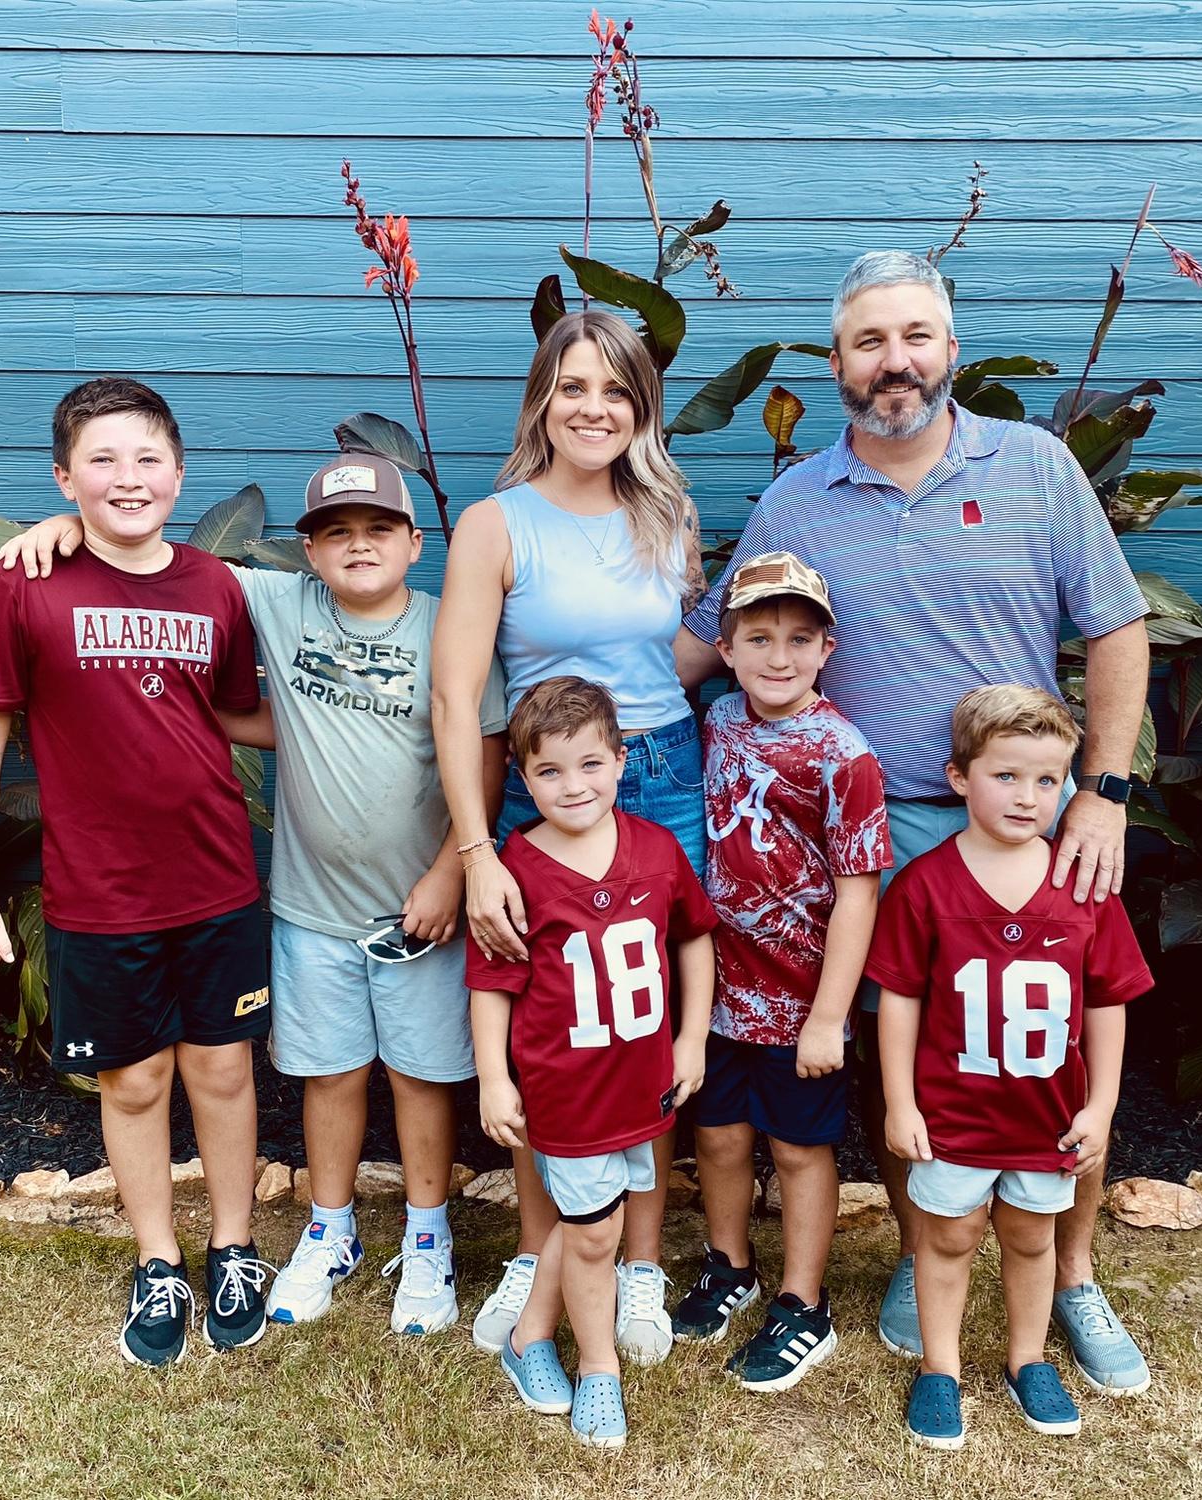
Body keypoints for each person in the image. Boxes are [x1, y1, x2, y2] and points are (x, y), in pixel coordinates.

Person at [673, 250, 1153, 1393]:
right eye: (870, 341)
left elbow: (1118, 627)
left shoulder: (1032, 465)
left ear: (950, 350)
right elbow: (701, 642)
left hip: (1025, 819)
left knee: (1054, 1041)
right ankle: (917, 1249)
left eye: (915, 336)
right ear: (837, 363)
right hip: (873, 836)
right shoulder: (798, 501)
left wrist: (1103, 791)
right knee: (915, 1056)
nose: (895, 361)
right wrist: (548, 716)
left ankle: (1074, 1275)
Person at [0, 452, 510, 1338]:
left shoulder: (445, 626)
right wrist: (70, 525)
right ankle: (330, 1229)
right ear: (307, 552)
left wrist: (451, 873)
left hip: (422, 909)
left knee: (422, 1077)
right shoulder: (273, 601)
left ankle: (428, 1237)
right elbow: (147, 554)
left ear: (416, 541)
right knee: (329, 1073)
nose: (358, 546)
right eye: (335, 533)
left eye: (378, 528)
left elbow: (486, 749)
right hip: (310, 907)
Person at [0, 377, 274, 1366]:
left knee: (224, 1068)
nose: (128, 478)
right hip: (100, 893)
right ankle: (158, 1260)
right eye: (102, 460)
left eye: (147, 458)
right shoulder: (25, 582)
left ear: (179, 472)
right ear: (64, 477)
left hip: (216, 879)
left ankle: (234, 1246)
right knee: (133, 1082)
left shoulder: (215, 586)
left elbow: (234, 712)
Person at [433, 308, 710, 1362]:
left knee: (639, 1015)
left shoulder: (667, 515)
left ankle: (637, 1264)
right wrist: (475, 852)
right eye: (574, 387)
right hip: (543, 785)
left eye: (617, 390)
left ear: (642, 408)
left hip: (659, 772)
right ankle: (537, 1246)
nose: (595, 409)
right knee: (550, 1021)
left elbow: (669, 657)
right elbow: (458, 699)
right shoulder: (496, 524)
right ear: (542, 401)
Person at [863, 685, 1152, 1447]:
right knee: (948, 1239)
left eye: (1047, 780)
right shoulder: (924, 885)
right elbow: (899, 1000)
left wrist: (1101, 1107)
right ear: (960, 777)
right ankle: (940, 1369)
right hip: (953, 1113)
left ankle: (1029, 1360)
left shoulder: (1081, 886)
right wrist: (901, 1103)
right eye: (1006, 776)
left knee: (1030, 1238)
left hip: (1046, 1116)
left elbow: (1108, 1003)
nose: (1028, 797)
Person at [466, 677, 716, 1448]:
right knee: (596, 1232)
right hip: (566, 1088)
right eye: (549, 771)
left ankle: (528, 1337)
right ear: (522, 774)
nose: (573, 786)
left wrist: (692, 1038)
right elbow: (491, 982)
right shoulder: (517, 869)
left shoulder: (657, 848)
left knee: (592, 1225)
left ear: (621, 760)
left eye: (589, 764)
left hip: (641, 1081)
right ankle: (598, 1367)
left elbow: (694, 938)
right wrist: (495, 1077)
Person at [670, 553, 889, 1392]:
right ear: (725, 649)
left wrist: (831, 1015)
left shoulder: (843, 753)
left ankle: (803, 1301)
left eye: (800, 639)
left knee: (799, 1149)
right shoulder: (718, 718)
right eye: (757, 637)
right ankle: (730, 1264)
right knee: (719, 1136)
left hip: (801, 1001)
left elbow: (859, 891)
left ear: (827, 649)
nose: (779, 656)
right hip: (718, 991)